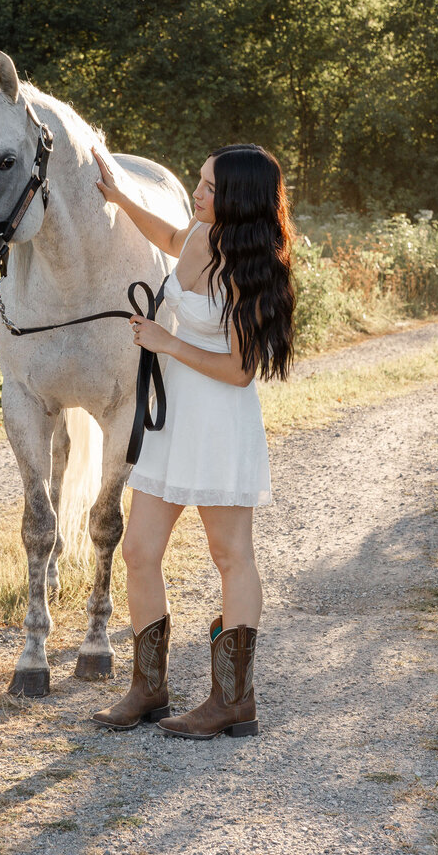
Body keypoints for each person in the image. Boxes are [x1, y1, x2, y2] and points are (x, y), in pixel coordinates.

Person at [89, 143, 295, 740]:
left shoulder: (252, 264)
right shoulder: (200, 237)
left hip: (220, 423)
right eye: (199, 182)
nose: (197, 193)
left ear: (237, 198)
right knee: (138, 550)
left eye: (207, 186)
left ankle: (233, 700)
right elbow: (171, 237)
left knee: (231, 556)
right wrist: (120, 198)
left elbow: (239, 370)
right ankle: (148, 688)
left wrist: (165, 341)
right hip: (173, 420)